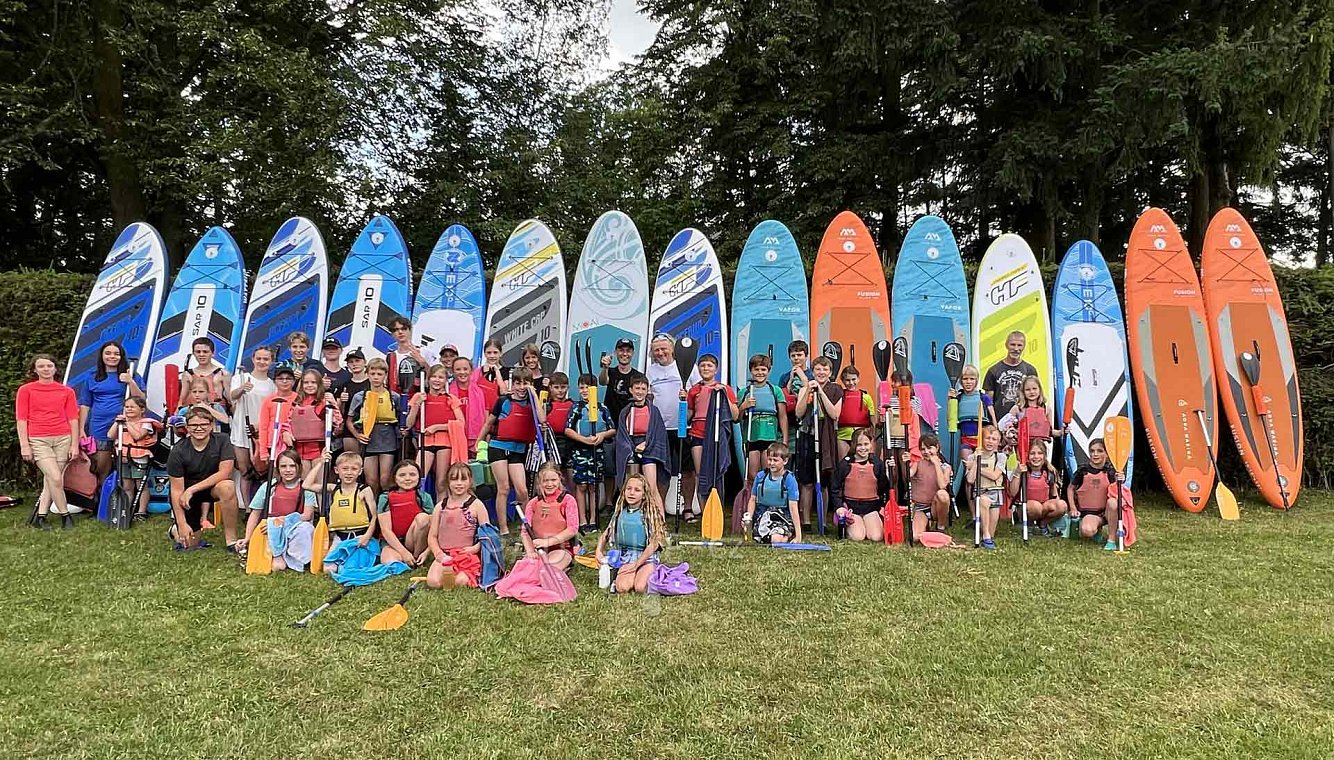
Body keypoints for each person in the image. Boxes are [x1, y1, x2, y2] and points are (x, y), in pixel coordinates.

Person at [476, 367, 544, 535]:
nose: (521, 387)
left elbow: (542, 420)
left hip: (518, 450)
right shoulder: (503, 401)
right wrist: (478, 441)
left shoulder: (532, 403)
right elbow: (489, 423)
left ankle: (525, 526)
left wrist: (534, 395)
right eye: (518, 383)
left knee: (522, 490)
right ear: (512, 384)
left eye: (525, 383)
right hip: (498, 447)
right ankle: (503, 529)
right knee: (504, 487)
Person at [17, 354, 80, 530]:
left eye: (49, 366)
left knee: (51, 480)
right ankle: (65, 516)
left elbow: (73, 419)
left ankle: (41, 517)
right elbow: (21, 419)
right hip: (38, 439)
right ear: (35, 370)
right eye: (42, 366)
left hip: (63, 438)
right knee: (55, 477)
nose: (46, 369)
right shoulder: (26, 390)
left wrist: (75, 444)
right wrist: (24, 445)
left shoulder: (67, 391)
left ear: (55, 368)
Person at [166, 406, 241, 550]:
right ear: (187, 427)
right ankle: (175, 529)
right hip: (186, 497)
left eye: (203, 424)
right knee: (190, 545)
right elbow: (176, 491)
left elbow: (225, 472)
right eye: (194, 425)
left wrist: (193, 489)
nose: (199, 428)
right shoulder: (178, 451)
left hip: (211, 489)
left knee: (228, 486)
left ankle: (231, 540)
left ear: (211, 426)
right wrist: (182, 523)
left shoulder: (223, 440)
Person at [78, 341, 145, 492]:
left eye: (116, 353)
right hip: (99, 426)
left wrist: (130, 382)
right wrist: (81, 428)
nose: (112, 357)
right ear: (102, 356)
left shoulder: (131, 375)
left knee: (127, 463)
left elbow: (141, 399)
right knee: (101, 465)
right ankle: (101, 498)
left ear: (121, 356)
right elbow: (85, 404)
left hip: (126, 425)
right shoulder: (92, 377)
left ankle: (128, 498)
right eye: (108, 353)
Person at [645, 333, 700, 508]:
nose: (660, 353)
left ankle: (688, 507)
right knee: (663, 470)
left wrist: (688, 398)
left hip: (684, 424)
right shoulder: (651, 370)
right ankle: (658, 508)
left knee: (687, 470)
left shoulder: (688, 366)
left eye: (663, 349)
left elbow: (699, 392)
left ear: (673, 349)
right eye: (656, 350)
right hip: (660, 428)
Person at [238, 449, 317, 569]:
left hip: (295, 528)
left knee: (305, 528)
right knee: (277, 567)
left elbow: (307, 516)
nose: (288, 470)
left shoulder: (306, 488)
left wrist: (283, 521)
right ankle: (278, 555)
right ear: (278, 469)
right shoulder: (269, 486)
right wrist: (247, 538)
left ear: (299, 467)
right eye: (283, 466)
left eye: (292, 466)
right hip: (272, 529)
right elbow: (255, 514)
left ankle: (294, 559)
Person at [684, 353, 739, 517]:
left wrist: (723, 394)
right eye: (702, 366)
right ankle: (705, 512)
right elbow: (688, 416)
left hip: (716, 435)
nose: (705, 368)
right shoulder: (694, 390)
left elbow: (735, 415)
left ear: (716, 369)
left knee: (717, 473)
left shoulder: (725, 388)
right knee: (702, 474)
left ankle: (717, 512)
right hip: (698, 435)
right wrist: (682, 401)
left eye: (709, 365)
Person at [304, 450, 378, 570]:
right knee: (329, 569)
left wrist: (367, 537)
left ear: (360, 471)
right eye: (345, 468)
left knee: (351, 568)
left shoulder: (364, 490)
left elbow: (375, 516)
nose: (349, 473)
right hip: (340, 538)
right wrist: (321, 462)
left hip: (360, 537)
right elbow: (306, 485)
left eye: (354, 469)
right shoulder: (333, 489)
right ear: (336, 470)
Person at [595, 473, 667, 593]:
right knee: (622, 587)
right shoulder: (619, 513)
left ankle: (655, 573)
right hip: (626, 556)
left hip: (646, 557)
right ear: (623, 491)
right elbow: (606, 534)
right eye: (629, 489)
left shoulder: (649, 514)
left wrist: (637, 564)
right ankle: (622, 576)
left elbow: (654, 543)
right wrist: (598, 551)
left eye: (637, 490)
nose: (631, 493)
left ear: (644, 495)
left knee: (640, 587)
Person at [792, 355, 840, 529]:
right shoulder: (805, 388)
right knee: (807, 482)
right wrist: (808, 392)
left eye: (825, 369)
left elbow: (834, 414)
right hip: (807, 437)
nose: (821, 372)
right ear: (813, 372)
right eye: (818, 369)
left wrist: (820, 392)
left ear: (830, 372)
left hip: (826, 439)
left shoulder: (835, 389)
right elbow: (798, 413)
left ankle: (823, 520)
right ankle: (805, 521)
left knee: (824, 482)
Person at [426, 462, 491, 589]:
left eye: (463, 479)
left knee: (460, 582)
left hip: (467, 556)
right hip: (445, 555)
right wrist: (439, 555)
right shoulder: (440, 506)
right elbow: (432, 536)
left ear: (470, 481)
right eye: (454, 479)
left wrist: (475, 549)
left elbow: (488, 535)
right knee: (433, 583)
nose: (459, 483)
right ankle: (448, 571)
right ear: (448, 482)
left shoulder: (477, 505)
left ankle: (467, 574)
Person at [565, 374, 614, 532]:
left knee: (593, 485)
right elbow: (568, 429)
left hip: (596, 451)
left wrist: (601, 436)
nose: (584, 390)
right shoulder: (576, 407)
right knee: (581, 485)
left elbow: (612, 429)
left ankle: (593, 518)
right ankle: (582, 519)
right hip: (580, 451)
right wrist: (582, 439)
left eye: (588, 387)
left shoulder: (602, 408)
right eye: (582, 387)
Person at [406, 364, 466, 491]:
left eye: (440, 377)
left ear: (445, 380)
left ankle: (440, 509)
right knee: (417, 479)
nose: (437, 380)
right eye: (434, 376)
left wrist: (437, 427)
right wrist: (417, 405)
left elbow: (461, 423)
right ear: (428, 379)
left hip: (445, 443)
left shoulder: (451, 399)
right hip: (425, 443)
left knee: (441, 483)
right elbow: (408, 424)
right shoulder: (419, 397)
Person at [346, 358, 403, 494]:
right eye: (373, 373)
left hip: (387, 438)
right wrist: (357, 435)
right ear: (368, 374)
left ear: (385, 375)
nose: (376, 377)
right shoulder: (360, 396)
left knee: (385, 479)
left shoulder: (393, 397)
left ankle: (384, 508)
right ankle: (372, 510)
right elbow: (349, 420)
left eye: (379, 374)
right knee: (371, 480)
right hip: (369, 439)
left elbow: (402, 419)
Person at [600, 337, 647, 499]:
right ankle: (608, 502)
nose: (624, 353)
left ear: (632, 353)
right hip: (611, 427)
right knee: (609, 467)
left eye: (627, 350)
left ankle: (627, 496)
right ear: (616, 352)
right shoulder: (611, 372)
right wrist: (605, 367)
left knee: (630, 465)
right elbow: (602, 380)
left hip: (630, 428)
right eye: (621, 350)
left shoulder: (637, 376)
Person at [228, 346, 276, 503]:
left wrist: (260, 425)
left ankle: (263, 505)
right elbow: (232, 396)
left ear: (271, 361)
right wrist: (242, 389)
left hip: (261, 430)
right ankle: (247, 508)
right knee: (245, 470)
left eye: (266, 359)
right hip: (241, 429)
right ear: (253, 359)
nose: (262, 362)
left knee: (263, 470)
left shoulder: (272, 385)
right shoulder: (241, 378)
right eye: (259, 358)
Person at [737, 354, 788, 499]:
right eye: (756, 369)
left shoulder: (775, 390)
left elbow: (782, 416)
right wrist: (743, 406)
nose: (760, 372)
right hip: (752, 436)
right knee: (752, 473)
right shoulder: (745, 392)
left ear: (769, 371)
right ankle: (754, 501)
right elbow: (736, 418)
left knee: (768, 470)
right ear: (751, 371)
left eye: (763, 369)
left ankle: (768, 500)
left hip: (770, 436)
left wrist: (784, 439)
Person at [830, 428, 889, 542]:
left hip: (871, 507)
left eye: (866, 444)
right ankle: (852, 525)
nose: (863, 448)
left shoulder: (877, 463)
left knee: (876, 537)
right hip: (852, 507)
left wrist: (888, 473)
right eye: (859, 445)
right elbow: (835, 488)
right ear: (853, 446)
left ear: (871, 444)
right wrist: (839, 507)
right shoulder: (845, 464)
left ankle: (868, 523)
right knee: (858, 537)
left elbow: (884, 488)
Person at [1066, 438, 1124, 551]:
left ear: (1107, 454)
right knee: (1087, 530)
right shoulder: (1082, 470)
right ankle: (1097, 529)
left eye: (1099, 451)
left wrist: (1120, 480)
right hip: (1089, 513)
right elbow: (1070, 489)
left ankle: (1111, 540)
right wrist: (1073, 508)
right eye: (1092, 451)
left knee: (1113, 502)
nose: (1095, 454)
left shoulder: (1112, 471)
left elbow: (1120, 493)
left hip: (1107, 512)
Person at [109, 396, 161, 521]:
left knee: (141, 485)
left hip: (139, 457)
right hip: (124, 458)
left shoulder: (146, 423)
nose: (129, 409)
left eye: (132, 407)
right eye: (126, 407)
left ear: (142, 409)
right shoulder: (120, 422)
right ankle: (125, 509)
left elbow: (137, 436)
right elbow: (110, 435)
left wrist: (127, 422)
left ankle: (141, 512)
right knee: (127, 486)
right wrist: (117, 423)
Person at [519, 463, 578, 571]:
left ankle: (563, 567)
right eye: (545, 480)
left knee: (547, 571)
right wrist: (530, 552)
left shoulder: (568, 500)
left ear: (560, 478)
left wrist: (548, 542)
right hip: (538, 549)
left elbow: (572, 529)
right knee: (526, 571)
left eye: (553, 480)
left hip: (561, 549)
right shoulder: (533, 503)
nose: (549, 484)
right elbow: (525, 532)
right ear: (539, 481)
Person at [742, 442, 803, 544]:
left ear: (785, 461)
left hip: (782, 517)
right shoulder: (760, 476)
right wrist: (749, 519)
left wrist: (798, 535)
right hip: (763, 515)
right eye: (769, 459)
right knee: (758, 539)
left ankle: (785, 535)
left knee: (776, 540)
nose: (771, 463)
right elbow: (753, 499)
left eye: (775, 460)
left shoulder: (789, 479)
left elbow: (793, 507)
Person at [614, 376, 669, 490]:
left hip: (649, 449)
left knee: (651, 487)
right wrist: (630, 448)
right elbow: (622, 436)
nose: (640, 392)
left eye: (643, 389)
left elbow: (659, 434)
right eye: (637, 388)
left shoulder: (653, 411)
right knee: (631, 487)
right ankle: (633, 508)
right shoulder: (625, 412)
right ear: (631, 390)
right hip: (631, 449)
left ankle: (656, 508)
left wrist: (645, 444)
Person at [375, 459, 433, 565]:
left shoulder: (424, 497)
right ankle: (405, 556)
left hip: (414, 540)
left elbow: (434, 529)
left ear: (419, 477)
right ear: (395, 478)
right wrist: (404, 552)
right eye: (402, 475)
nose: (407, 479)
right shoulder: (385, 497)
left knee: (423, 517)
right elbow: (386, 530)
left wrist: (427, 551)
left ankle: (416, 557)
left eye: (412, 474)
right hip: (393, 541)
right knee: (390, 562)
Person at [1009, 439, 1068, 535]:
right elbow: (1012, 492)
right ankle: (1028, 524)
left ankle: (1043, 524)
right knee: (1035, 507)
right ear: (1027, 455)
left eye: (1040, 453)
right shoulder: (1023, 471)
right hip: (1026, 507)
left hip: (1043, 506)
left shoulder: (1049, 472)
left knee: (1062, 505)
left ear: (1044, 456)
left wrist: (1060, 510)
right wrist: (1017, 473)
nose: (1036, 457)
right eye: (1032, 453)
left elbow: (1054, 495)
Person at [290, 368, 340, 477]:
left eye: (313, 382)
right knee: (305, 484)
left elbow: (338, 423)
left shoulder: (323, 401)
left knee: (318, 484)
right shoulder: (296, 403)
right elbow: (288, 422)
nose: (309, 385)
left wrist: (333, 403)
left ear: (319, 384)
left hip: (319, 451)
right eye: (306, 382)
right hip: (300, 450)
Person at [965, 424, 1007, 550]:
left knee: (991, 532)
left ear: (998, 442)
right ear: (981, 439)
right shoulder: (972, 457)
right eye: (988, 438)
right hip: (981, 493)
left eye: (994, 439)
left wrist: (976, 467)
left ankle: (985, 531)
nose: (990, 442)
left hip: (995, 493)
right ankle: (985, 535)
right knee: (984, 501)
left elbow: (995, 476)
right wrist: (976, 461)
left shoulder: (1001, 457)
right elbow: (970, 479)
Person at [998, 375, 1062, 452]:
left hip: (1040, 450)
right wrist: (1009, 439)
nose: (1031, 392)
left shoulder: (1047, 409)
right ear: (1023, 392)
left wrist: (1062, 432)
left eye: (1034, 389)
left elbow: (1050, 431)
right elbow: (1001, 427)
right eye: (1028, 390)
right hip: (1022, 448)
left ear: (1039, 390)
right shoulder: (1017, 409)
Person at [983, 331, 1039, 415]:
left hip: (1024, 421)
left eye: (1019, 345)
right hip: (999, 422)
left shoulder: (1030, 370)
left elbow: (1036, 398)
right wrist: (990, 423)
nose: (1016, 349)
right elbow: (987, 403)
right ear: (1006, 345)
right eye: (1012, 344)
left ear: (1024, 347)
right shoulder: (993, 370)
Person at [908, 433, 953, 539]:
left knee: (942, 495)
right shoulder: (917, 463)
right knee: (915, 537)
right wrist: (904, 462)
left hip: (935, 507)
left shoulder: (945, 467)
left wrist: (936, 464)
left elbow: (942, 485)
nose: (926, 452)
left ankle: (940, 526)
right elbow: (908, 475)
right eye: (923, 449)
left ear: (937, 447)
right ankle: (925, 523)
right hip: (920, 507)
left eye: (929, 448)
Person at [178, 337, 231, 422]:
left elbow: (230, 400)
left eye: (205, 352)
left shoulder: (223, 374)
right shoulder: (187, 375)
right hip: (194, 416)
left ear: (213, 353)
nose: (201, 355)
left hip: (217, 417)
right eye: (198, 352)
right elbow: (181, 400)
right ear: (193, 354)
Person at [255, 365, 298, 467]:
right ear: (274, 381)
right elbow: (263, 427)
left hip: (293, 443)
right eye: (280, 378)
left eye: (288, 378)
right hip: (273, 444)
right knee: (275, 474)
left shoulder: (299, 399)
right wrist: (264, 451)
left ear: (293, 381)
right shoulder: (268, 400)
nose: (284, 381)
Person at [835, 365, 878, 459]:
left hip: (862, 436)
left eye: (853, 379)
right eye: (847, 380)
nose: (851, 383)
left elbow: (873, 420)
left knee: (866, 462)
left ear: (858, 379)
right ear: (842, 381)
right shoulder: (839, 395)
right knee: (844, 463)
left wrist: (872, 438)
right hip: (843, 436)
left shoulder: (866, 397)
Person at [448, 356, 486, 456]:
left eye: (465, 369)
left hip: (474, 439)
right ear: (453, 371)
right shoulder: (447, 391)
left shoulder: (479, 392)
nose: (462, 372)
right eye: (458, 369)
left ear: (471, 371)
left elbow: (484, 416)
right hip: (453, 437)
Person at [776, 340, 810, 448]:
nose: (796, 358)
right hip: (789, 421)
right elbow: (782, 398)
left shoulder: (812, 375)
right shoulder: (784, 377)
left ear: (806, 356)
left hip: (807, 422)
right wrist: (790, 380)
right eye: (793, 355)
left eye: (799, 355)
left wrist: (803, 377)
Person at [386, 317, 431, 399]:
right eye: (396, 330)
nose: (400, 332)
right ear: (392, 334)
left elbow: (435, 377)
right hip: (396, 399)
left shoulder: (424, 352)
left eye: (404, 329)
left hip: (419, 399)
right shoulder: (390, 356)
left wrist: (423, 363)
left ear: (410, 330)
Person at [336, 349, 370, 454]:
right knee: (351, 461)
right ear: (347, 365)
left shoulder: (372, 383)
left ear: (364, 362)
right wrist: (341, 401)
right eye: (351, 362)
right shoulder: (344, 385)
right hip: (350, 430)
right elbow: (339, 413)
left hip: (370, 428)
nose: (354, 364)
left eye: (357, 360)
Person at [543, 372, 574, 480]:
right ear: (550, 388)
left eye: (563, 387)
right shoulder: (545, 406)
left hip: (570, 445)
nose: (560, 390)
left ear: (568, 387)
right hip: (552, 444)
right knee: (553, 477)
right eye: (556, 387)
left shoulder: (573, 406)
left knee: (572, 481)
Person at [476, 339, 511, 412]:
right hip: (481, 410)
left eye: (495, 352)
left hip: (499, 412)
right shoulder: (478, 372)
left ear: (501, 353)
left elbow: (504, 392)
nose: (492, 356)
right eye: (489, 353)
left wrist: (497, 371)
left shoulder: (507, 371)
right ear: (484, 354)